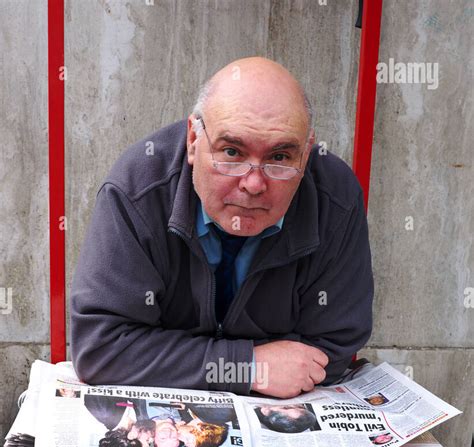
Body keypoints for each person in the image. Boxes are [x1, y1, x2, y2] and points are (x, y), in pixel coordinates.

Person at [71, 57, 373, 399]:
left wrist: (174, 360)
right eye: (232, 151)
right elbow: (101, 349)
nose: (254, 184)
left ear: (305, 154)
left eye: (279, 158)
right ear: (193, 140)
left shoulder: (335, 197)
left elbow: (333, 346)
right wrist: (247, 366)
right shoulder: (137, 189)